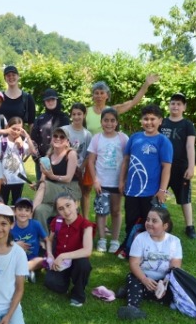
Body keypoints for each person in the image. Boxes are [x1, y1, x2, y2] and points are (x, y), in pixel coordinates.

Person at [119, 105, 173, 257]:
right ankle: (130, 247)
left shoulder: (163, 141)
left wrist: (162, 190)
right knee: (131, 220)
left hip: (151, 192)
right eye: (146, 119)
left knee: (149, 222)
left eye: (153, 119)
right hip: (132, 190)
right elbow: (126, 161)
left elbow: (166, 167)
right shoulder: (135, 138)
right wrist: (121, 181)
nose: (149, 122)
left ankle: (148, 250)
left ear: (160, 121)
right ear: (141, 120)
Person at [117, 207, 182, 320]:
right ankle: (133, 307)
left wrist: (165, 283)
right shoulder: (140, 238)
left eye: (154, 221)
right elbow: (134, 264)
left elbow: (175, 266)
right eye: (148, 220)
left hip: (163, 280)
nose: (149, 223)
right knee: (133, 278)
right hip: (142, 276)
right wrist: (144, 279)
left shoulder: (174, 241)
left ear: (165, 226)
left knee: (175, 291)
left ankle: (129, 291)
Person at [87, 108, 129, 253]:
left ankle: (115, 240)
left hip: (117, 182)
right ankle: (102, 239)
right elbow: (91, 161)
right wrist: (95, 180)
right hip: (102, 183)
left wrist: (123, 180)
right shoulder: (97, 138)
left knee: (116, 211)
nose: (109, 123)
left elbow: (126, 160)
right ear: (101, 122)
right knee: (101, 211)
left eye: (112, 120)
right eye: (106, 120)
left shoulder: (123, 138)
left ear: (117, 122)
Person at [44, 193, 94, 307]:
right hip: (60, 263)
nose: (66, 211)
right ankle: (64, 281)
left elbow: (87, 251)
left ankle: (78, 293)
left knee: (83, 265)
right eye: (61, 209)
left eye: (68, 205)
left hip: (76, 261)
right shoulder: (57, 222)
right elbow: (49, 240)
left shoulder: (86, 225)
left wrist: (63, 256)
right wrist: (50, 254)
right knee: (51, 283)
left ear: (76, 204)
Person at [160, 93, 196, 239]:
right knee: (159, 195)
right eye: (173, 103)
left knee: (184, 198)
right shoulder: (162, 122)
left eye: (179, 104)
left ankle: (190, 227)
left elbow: (190, 146)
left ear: (184, 107)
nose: (175, 106)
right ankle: (157, 222)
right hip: (163, 168)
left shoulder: (188, 125)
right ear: (169, 105)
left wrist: (191, 167)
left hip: (181, 168)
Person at [33, 128, 81, 233]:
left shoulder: (71, 154)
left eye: (62, 137)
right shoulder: (48, 156)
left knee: (44, 185)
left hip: (69, 190)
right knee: (39, 210)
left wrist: (52, 176)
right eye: (55, 136)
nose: (58, 138)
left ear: (67, 142)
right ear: (51, 139)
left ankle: (29, 217)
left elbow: (68, 178)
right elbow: (43, 179)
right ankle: (43, 238)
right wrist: (37, 184)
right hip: (52, 192)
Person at [86, 74, 159, 135]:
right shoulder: (86, 111)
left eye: (102, 93)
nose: (99, 96)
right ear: (93, 96)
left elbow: (133, 102)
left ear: (107, 95)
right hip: (92, 148)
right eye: (96, 93)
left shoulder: (112, 110)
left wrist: (146, 84)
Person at [0, 116, 36, 205]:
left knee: (17, 202)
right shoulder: (2, 141)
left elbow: (33, 151)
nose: (15, 131)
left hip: (18, 179)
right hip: (4, 178)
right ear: (8, 127)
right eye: (13, 128)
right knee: (3, 201)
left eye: (18, 129)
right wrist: (0, 174)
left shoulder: (22, 143)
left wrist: (27, 136)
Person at [30, 89, 70, 180]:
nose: (50, 102)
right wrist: (37, 159)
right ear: (44, 102)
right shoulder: (40, 119)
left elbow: (67, 140)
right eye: (47, 100)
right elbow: (33, 140)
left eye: (52, 99)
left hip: (60, 161)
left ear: (57, 100)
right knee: (42, 185)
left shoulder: (64, 118)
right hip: (42, 160)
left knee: (58, 187)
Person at [62, 103, 93, 219]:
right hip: (65, 169)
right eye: (74, 114)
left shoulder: (87, 134)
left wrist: (81, 168)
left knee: (81, 194)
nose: (76, 117)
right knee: (66, 195)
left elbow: (88, 154)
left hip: (80, 170)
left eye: (79, 114)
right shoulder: (65, 130)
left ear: (84, 115)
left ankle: (83, 219)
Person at [10, 197, 48, 284]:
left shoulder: (36, 224)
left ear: (31, 213)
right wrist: (14, 244)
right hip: (16, 258)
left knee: (43, 260)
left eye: (27, 210)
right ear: (14, 211)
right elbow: (3, 244)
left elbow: (47, 239)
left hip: (33, 258)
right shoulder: (10, 226)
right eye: (20, 209)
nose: (23, 213)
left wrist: (49, 252)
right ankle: (27, 271)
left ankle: (22, 271)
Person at [0, 65, 35, 131]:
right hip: (1, 135)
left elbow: (31, 123)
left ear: (18, 76)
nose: (11, 77)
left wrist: (30, 137)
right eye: (8, 75)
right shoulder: (0, 97)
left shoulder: (27, 98)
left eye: (13, 75)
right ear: (5, 78)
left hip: (19, 135)